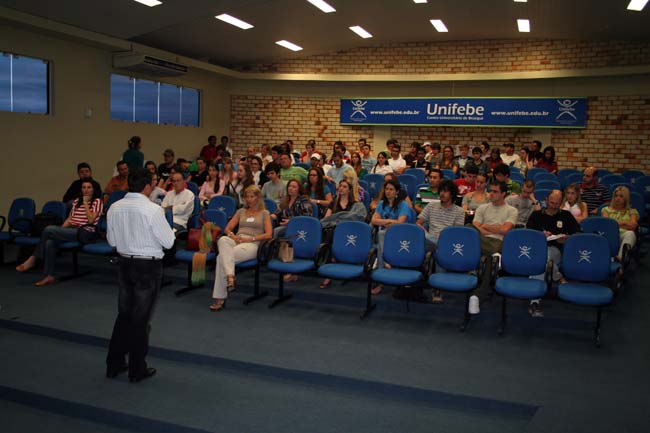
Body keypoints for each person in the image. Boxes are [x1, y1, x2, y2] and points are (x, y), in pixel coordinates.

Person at [105, 169, 175, 383]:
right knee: (140, 320)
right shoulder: (153, 210)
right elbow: (169, 242)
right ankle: (137, 369)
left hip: (125, 263)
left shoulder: (114, 207)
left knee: (124, 315)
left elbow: (111, 242)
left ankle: (114, 364)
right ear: (147, 187)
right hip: (147, 267)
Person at [16, 179, 103, 285]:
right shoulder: (76, 201)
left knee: (49, 229)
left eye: (89, 187)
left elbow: (91, 220)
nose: (86, 190)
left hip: (87, 233)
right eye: (83, 187)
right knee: (50, 242)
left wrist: (85, 203)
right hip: (73, 231)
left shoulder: (97, 201)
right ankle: (48, 276)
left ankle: (34, 257)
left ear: (94, 189)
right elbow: (70, 219)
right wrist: (60, 231)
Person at [210, 185, 273, 312]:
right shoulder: (240, 212)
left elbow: (269, 234)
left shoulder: (264, 213)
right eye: (246, 197)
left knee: (220, 258)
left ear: (258, 198)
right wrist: (233, 236)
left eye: (252, 196)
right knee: (223, 240)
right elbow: (227, 229)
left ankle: (220, 297)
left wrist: (250, 239)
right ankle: (230, 276)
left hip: (253, 243)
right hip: (237, 240)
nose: (249, 199)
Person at [526, 189, 580, 317]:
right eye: (551, 202)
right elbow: (528, 234)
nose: (554, 206)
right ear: (546, 200)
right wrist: (540, 235)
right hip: (536, 248)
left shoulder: (566, 216)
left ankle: (534, 301)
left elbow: (577, 234)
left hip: (556, 249)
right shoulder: (536, 215)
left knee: (545, 258)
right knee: (542, 259)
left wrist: (566, 239)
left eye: (557, 203)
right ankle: (558, 275)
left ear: (561, 203)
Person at [470, 181, 518, 313]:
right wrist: (492, 229)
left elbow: (505, 230)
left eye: (495, 191)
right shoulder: (482, 208)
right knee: (469, 229)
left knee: (487, 256)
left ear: (503, 194)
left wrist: (485, 227)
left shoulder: (511, 210)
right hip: (481, 240)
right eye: (490, 190)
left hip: (499, 243)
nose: (491, 194)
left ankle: (477, 296)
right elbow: (475, 226)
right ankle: (477, 296)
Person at [417, 180, 466, 303]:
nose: (442, 194)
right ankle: (433, 288)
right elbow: (418, 224)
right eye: (441, 191)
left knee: (441, 248)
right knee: (418, 235)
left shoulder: (459, 211)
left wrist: (442, 237)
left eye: (445, 191)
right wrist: (426, 233)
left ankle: (437, 287)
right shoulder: (431, 206)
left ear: (452, 194)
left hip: (448, 241)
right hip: (429, 239)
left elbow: (456, 233)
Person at [319, 179, 368, 289]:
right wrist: (337, 222)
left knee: (336, 232)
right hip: (333, 231)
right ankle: (330, 265)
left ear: (350, 190)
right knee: (329, 231)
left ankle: (335, 260)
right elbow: (327, 220)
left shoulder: (356, 204)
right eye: (340, 186)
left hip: (350, 233)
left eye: (344, 186)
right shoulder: (334, 203)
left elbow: (358, 221)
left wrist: (340, 222)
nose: (341, 188)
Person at [370, 178, 410, 295]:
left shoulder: (403, 205)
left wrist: (384, 222)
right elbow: (374, 220)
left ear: (397, 192)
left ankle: (381, 274)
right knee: (381, 234)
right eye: (386, 189)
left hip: (399, 237)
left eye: (391, 189)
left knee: (382, 233)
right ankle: (384, 264)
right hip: (382, 236)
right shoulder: (382, 204)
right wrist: (390, 221)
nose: (388, 192)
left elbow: (400, 223)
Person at [602, 186, 639, 260]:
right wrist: (625, 223)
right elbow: (607, 225)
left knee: (630, 234)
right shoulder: (605, 210)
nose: (617, 198)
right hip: (610, 236)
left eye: (621, 196)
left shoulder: (632, 211)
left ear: (626, 198)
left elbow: (633, 226)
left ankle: (620, 259)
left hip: (623, 236)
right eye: (616, 196)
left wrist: (614, 223)